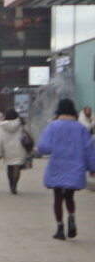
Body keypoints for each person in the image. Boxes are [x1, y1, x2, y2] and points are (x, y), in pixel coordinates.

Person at [36, 98, 95, 240]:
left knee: (57, 198)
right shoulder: (81, 128)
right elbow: (89, 150)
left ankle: (60, 228)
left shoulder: (52, 127)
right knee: (69, 196)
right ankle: (72, 217)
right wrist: (93, 168)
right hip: (75, 167)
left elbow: (43, 148)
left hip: (57, 167)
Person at [0, 108, 30, 195]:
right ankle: (15, 185)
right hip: (20, 148)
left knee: (9, 167)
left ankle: (11, 185)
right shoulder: (21, 124)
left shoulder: (2, 125)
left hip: (7, 150)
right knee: (17, 168)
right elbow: (28, 134)